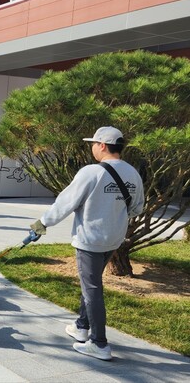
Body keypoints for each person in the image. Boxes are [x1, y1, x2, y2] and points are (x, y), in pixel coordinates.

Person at [29, 126, 144, 361]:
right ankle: (81, 326)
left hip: (90, 240)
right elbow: (137, 207)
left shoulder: (91, 172)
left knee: (92, 290)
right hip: (113, 239)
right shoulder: (132, 173)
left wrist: (41, 224)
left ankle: (99, 343)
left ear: (102, 145)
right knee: (90, 283)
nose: (91, 147)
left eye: (93, 143)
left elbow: (65, 203)